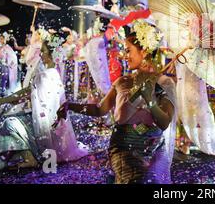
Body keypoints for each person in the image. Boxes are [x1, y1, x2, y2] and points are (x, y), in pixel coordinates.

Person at [56, 20, 176, 184]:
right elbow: (100, 109)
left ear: (145, 51)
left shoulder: (164, 83)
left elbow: (164, 123)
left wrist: (149, 100)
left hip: (153, 150)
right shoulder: (122, 81)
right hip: (123, 150)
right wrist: (71, 106)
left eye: (129, 51)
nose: (124, 55)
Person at [0, 29, 88, 170]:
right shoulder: (56, 74)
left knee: (9, 122)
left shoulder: (43, 76)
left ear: (51, 55)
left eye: (43, 52)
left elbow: (25, 93)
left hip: (46, 136)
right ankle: (25, 154)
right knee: (20, 117)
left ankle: (29, 158)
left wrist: (1, 101)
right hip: (58, 137)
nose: (40, 55)